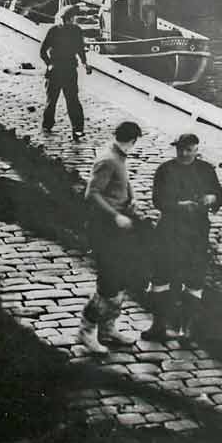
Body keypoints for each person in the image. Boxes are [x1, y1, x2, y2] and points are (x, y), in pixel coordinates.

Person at [144, 133, 222, 342]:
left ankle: (186, 328)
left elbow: (219, 193)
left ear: (197, 150)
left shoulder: (206, 170)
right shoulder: (165, 170)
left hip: (197, 231)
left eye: (189, 150)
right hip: (169, 229)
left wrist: (212, 197)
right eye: (180, 149)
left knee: (194, 276)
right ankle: (158, 325)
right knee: (161, 275)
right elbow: (158, 200)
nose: (184, 153)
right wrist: (180, 206)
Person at [77, 120, 144, 355]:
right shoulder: (108, 159)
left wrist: (132, 197)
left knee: (121, 277)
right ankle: (87, 330)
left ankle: (108, 328)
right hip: (105, 229)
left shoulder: (119, 156)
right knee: (108, 283)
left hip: (120, 230)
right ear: (133, 140)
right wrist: (115, 215)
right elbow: (91, 193)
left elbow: (124, 181)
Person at [39, 4, 91, 141]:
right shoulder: (65, 31)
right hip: (62, 70)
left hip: (62, 70)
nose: (72, 21)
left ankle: (71, 128)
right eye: (72, 18)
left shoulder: (66, 31)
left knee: (62, 100)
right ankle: (62, 126)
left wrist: (85, 64)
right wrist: (49, 64)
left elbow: (80, 49)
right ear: (69, 18)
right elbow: (42, 51)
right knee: (63, 100)